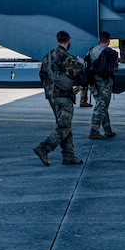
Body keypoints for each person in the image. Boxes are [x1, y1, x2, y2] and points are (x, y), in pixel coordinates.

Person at [33, 30, 84, 166]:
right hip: (63, 96)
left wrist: (49, 90)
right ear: (69, 40)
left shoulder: (48, 56)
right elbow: (76, 73)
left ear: (57, 40)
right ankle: (44, 148)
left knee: (64, 124)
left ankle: (68, 155)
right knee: (64, 126)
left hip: (52, 96)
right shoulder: (66, 57)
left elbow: (42, 74)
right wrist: (80, 63)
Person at [86, 31, 118, 139]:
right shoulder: (110, 53)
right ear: (108, 41)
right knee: (101, 106)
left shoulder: (91, 50)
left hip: (92, 83)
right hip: (104, 84)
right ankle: (94, 131)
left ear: (99, 39)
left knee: (102, 106)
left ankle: (107, 130)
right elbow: (114, 68)